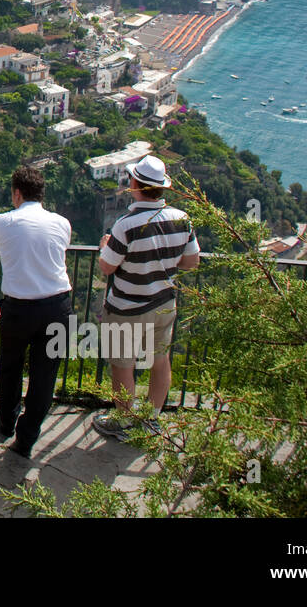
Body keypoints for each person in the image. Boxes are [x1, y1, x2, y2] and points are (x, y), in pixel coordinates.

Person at [92, 154, 200, 442]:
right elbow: (191, 263)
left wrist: (105, 247)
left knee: (122, 364)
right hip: (164, 304)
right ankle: (151, 419)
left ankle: (124, 421)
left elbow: (107, 267)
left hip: (127, 307)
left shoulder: (125, 225)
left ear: (136, 184)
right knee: (160, 359)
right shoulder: (182, 219)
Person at [0, 166, 74, 458]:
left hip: (19, 308)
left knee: (10, 368)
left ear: (17, 193)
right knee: (44, 375)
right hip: (57, 306)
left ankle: (6, 421)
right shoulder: (61, 222)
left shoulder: (4, 221)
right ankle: (27, 437)